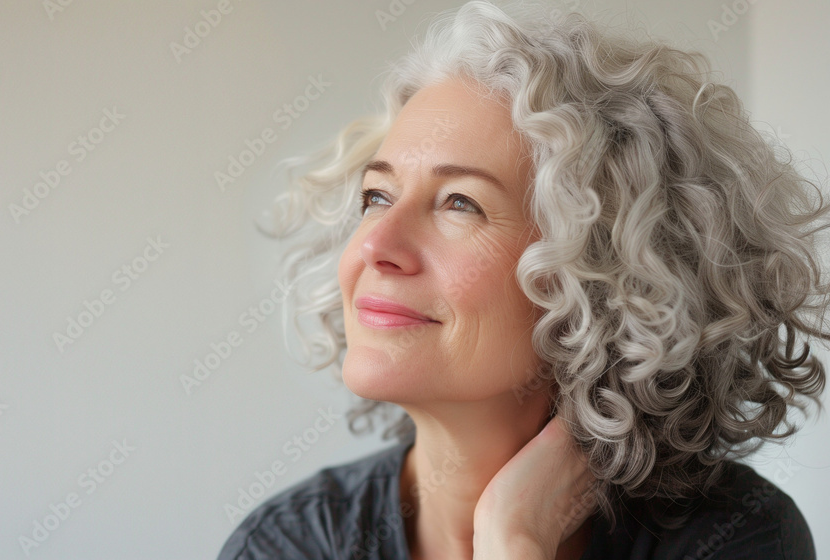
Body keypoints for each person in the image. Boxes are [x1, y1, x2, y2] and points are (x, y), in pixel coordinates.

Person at [218, 1, 830, 558]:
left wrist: (514, 537)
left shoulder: (736, 536)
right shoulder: (287, 545)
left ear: (603, 276)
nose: (375, 245)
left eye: (460, 203)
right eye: (377, 196)